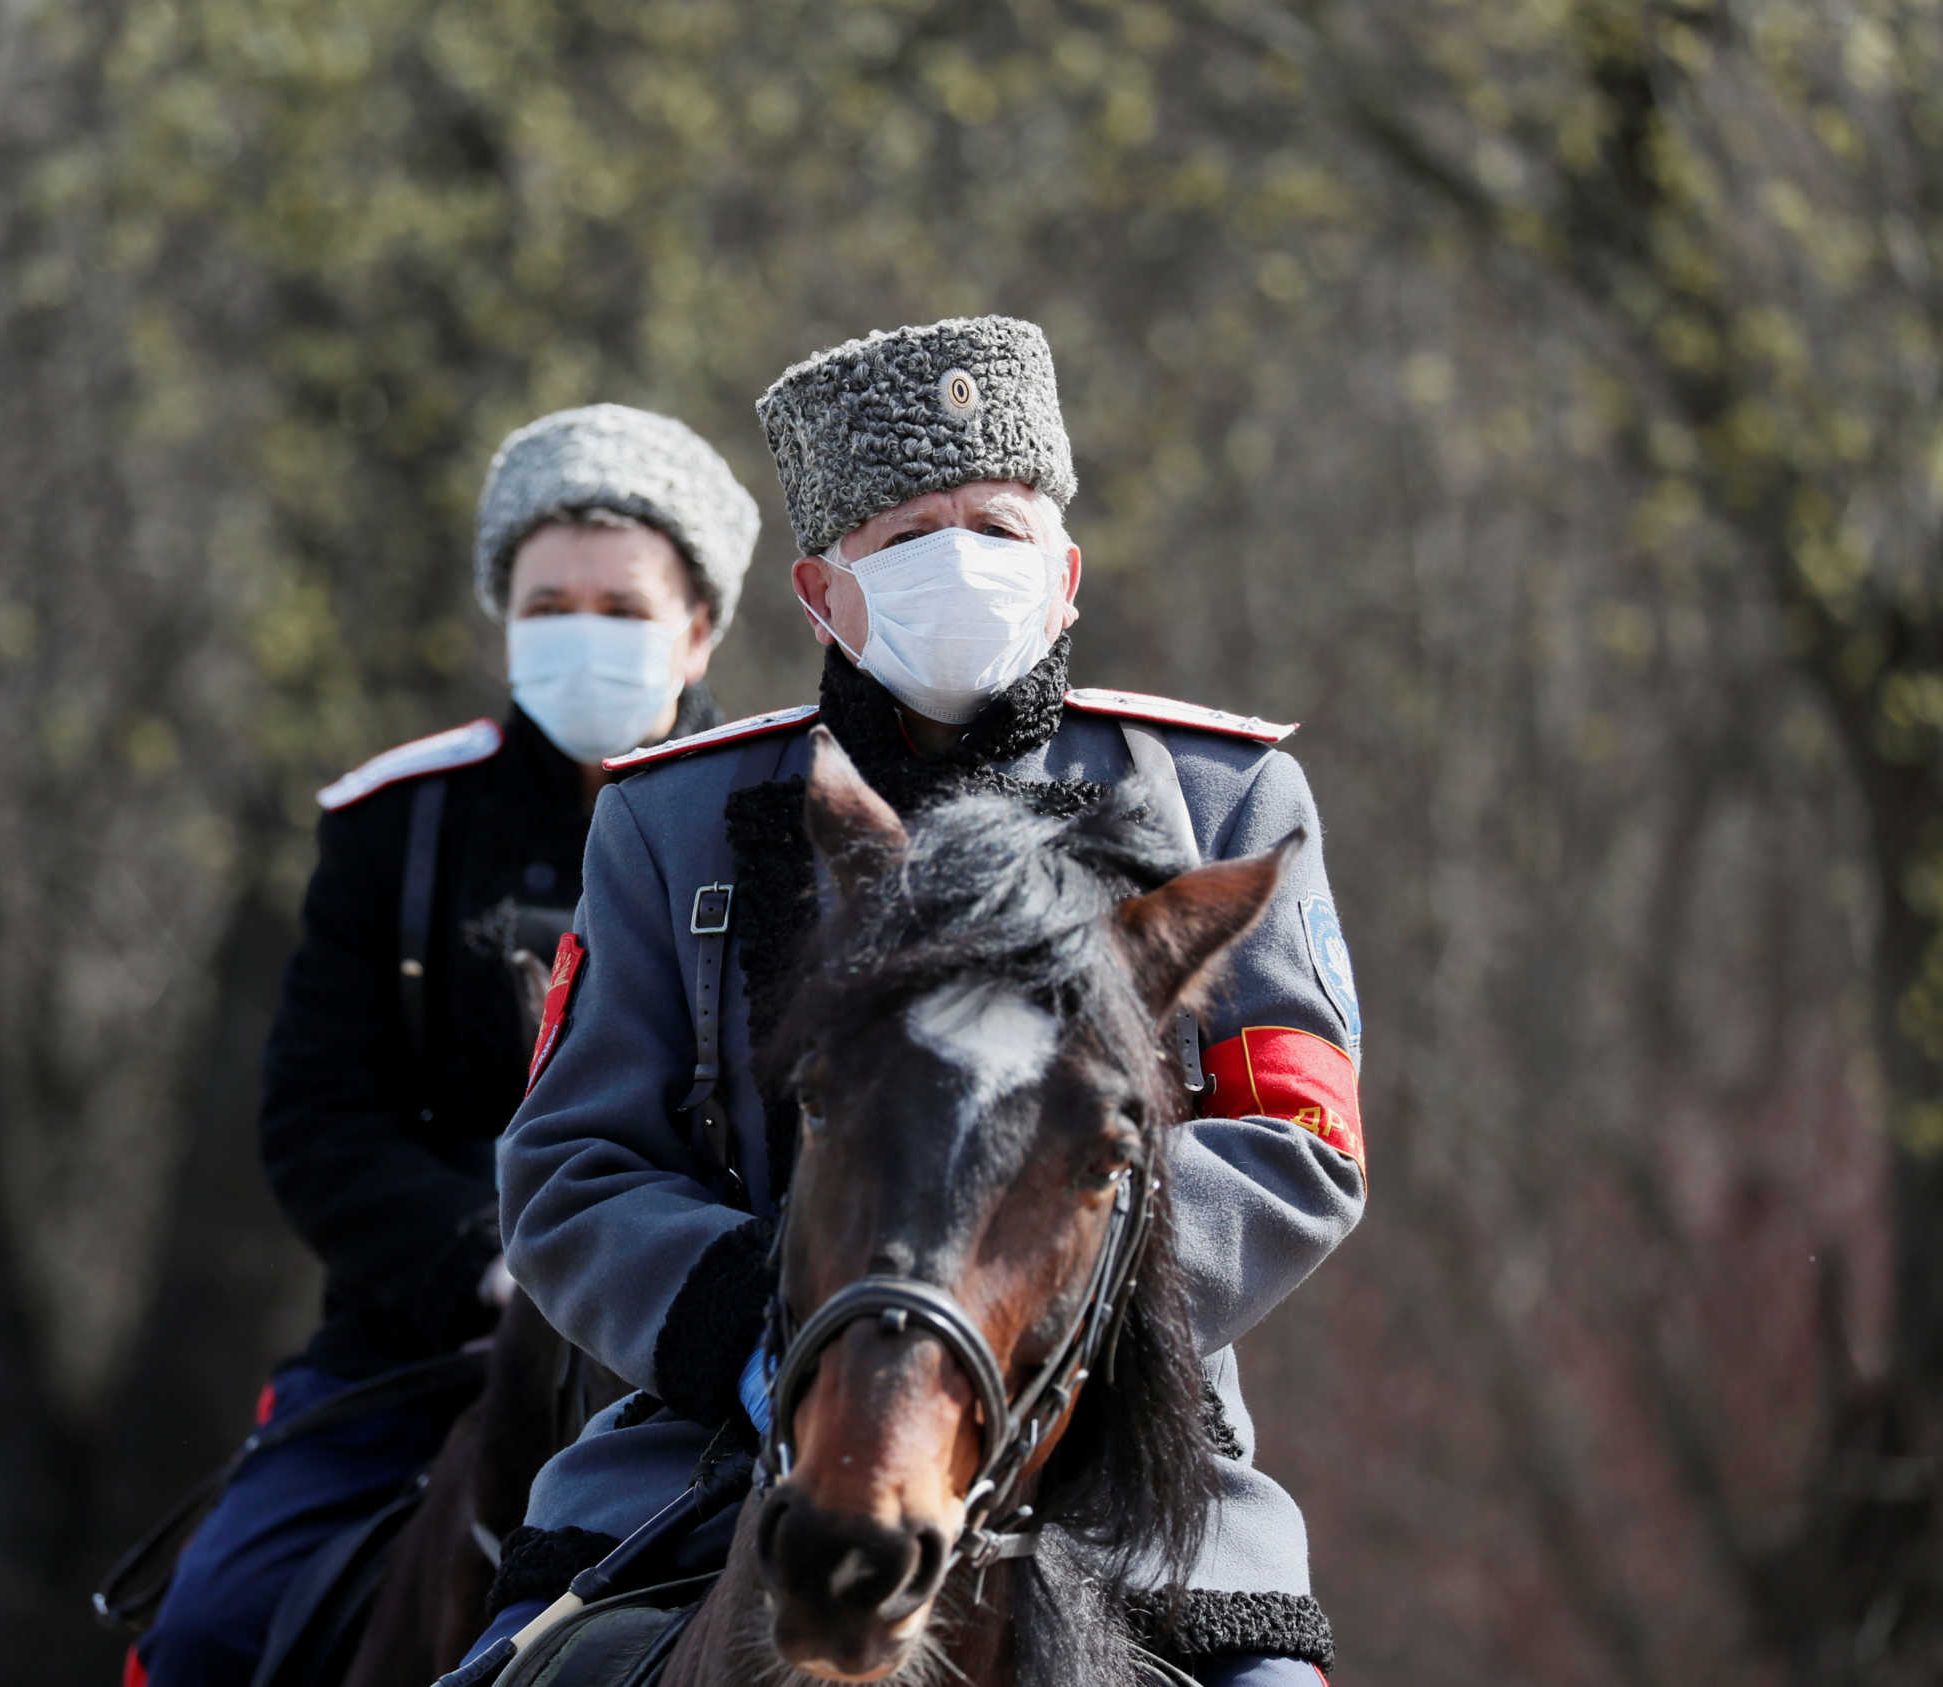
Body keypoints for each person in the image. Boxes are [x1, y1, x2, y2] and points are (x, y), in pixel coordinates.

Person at [473, 319, 1367, 1683]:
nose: (963, 559)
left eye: (996, 529)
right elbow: (565, 1165)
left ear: (1063, 576)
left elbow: (1303, 1138)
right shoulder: (669, 820)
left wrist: (1035, 1308)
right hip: (724, 1447)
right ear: (823, 592)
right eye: (910, 537)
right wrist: (768, 1326)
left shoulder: (1228, 801)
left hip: (1128, 1466)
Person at [134, 404, 762, 1687]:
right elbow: (316, 1121)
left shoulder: (783, 819)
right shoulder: (394, 826)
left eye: (621, 606)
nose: (583, 631)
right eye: (549, 603)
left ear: (698, 626)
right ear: (503, 619)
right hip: (422, 1360)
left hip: (704, 1369)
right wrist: (492, 1260)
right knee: (208, 1632)